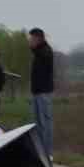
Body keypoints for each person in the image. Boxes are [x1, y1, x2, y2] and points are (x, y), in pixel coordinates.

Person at [27, 28, 55, 157]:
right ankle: (41, 151)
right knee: (39, 124)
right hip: (38, 92)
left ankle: (47, 152)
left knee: (45, 123)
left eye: (31, 38)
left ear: (38, 39)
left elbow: (40, 56)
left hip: (43, 92)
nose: (29, 41)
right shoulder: (40, 51)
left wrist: (34, 48)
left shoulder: (45, 52)